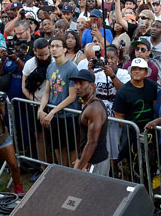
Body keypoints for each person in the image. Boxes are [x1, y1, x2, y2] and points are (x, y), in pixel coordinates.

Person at [37, 36, 79, 166]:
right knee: (57, 147)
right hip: (54, 115)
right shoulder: (51, 67)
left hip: (68, 115)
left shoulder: (72, 68)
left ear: (65, 49)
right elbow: (47, 92)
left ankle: (72, 173)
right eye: (52, 46)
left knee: (71, 148)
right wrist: (41, 109)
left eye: (57, 46)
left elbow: (72, 96)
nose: (54, 49)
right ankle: (61, 172)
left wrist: (52, 112)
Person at [67, 68, 110, 176]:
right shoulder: (88, 104)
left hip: (95, 163)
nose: (77, 87)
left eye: (81, 83)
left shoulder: (94, 108)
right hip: (90, 161)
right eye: (76, 83)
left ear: (92, 86)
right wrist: (80, 159)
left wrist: (79, 167)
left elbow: (92, 142)